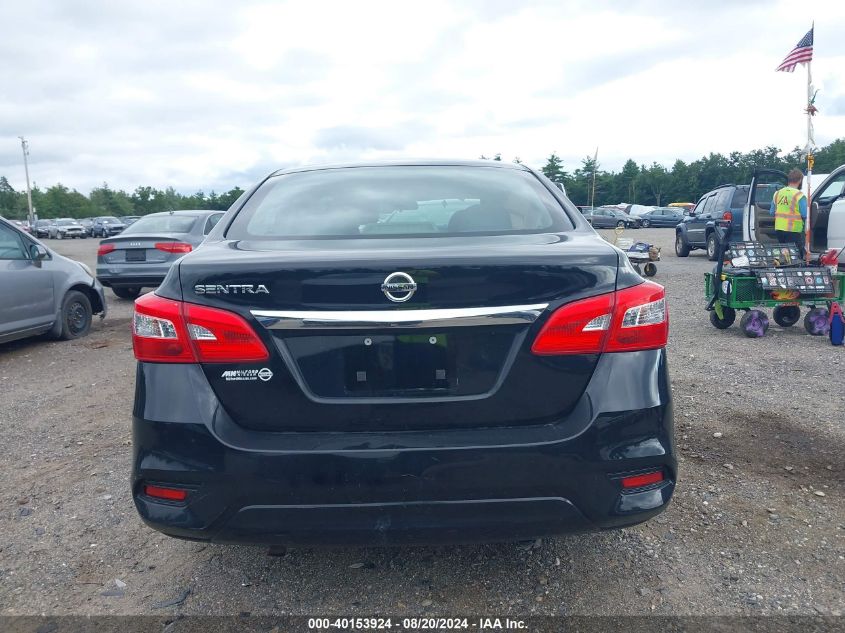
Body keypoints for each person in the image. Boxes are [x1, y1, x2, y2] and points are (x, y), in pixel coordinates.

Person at [770, 168, 807, 257]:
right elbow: (804, 214)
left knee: (784, 254)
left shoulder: (777, 193)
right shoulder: (799, 195)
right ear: (800, 180)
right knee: (796, 255)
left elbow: (772, 212)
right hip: (794, 230)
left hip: (779, 229)